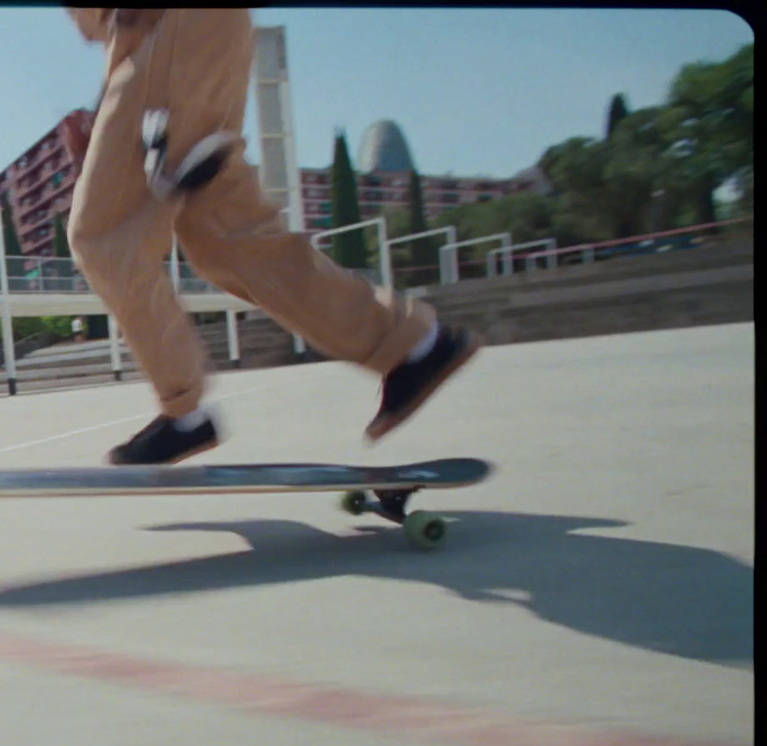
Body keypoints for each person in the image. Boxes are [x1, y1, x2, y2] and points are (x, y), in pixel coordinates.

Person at [64, 8, 481, 465]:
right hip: (186, 36)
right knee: (230, 239)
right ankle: (413, 345)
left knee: (101, 237)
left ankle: (184, 413)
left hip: (166, 31)